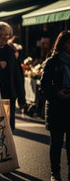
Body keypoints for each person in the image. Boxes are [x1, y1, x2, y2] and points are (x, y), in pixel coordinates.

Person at [40, 30, 70, 181]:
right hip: (56, 107)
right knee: (56, 143)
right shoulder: (52, 61)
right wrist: (57, 93)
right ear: (63, 44)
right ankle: (55, 172)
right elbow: (44, 85)